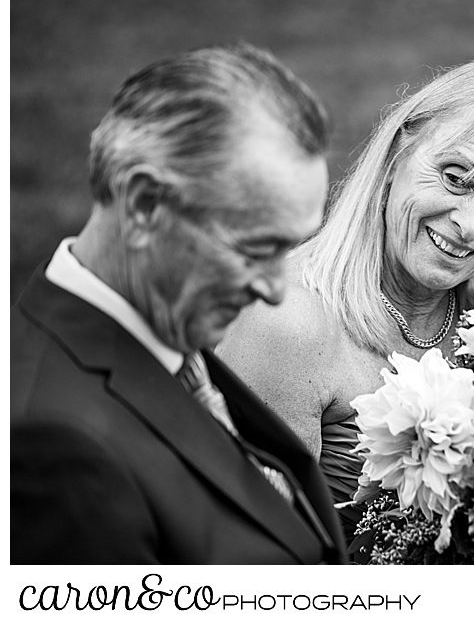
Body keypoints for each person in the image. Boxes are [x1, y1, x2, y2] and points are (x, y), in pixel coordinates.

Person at [10, 43, 349, 565]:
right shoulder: (57, 448)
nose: (277, 289)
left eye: (292, 246)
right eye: (258, 248)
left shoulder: (171, 339)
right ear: (146, 203)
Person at [217, 59, 474, 538]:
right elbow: (251, 564)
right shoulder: (288, 323)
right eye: (456, 177)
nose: (472, 225)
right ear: (395, 157)